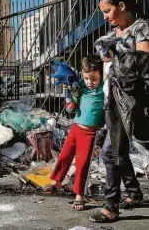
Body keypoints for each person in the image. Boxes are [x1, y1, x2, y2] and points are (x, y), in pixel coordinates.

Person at [90, 0, 149, 223]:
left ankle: (110, 206)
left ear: (122, 6)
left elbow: (142, 61)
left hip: (130, 98)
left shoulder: (140, 28)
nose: (105, 16)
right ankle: (134, 193)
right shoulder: (116, 31)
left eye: (107, 11)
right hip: (113, 97)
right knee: (117, 148)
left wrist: (115, 47)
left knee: (111, 151)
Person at [45, 54, 105, 211]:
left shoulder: (103, 89)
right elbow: (71, 106)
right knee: (64, 155)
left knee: (83, 163)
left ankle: (80, 194)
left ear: (101, 74)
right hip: (75, 128)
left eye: (93, 79)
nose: (89, 83)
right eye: (86, 78)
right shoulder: (81, 85)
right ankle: (57, 181)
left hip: (90, 133)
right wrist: (68, 90)